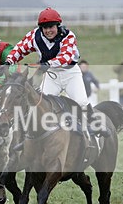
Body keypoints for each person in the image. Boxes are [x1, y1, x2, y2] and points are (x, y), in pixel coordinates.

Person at [6, 7, 104, 144]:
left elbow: (66, 57)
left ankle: (95, 126)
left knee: (81, 102)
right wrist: (10, 60)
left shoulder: (69, 36)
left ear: (58, 25)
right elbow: (20, 48)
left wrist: (47, 64)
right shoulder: (34, 36)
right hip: (52, 75)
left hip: (70, 74)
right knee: (40, 106)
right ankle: (27, 140)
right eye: (44, 28)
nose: (48, 31)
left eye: (51, 27)